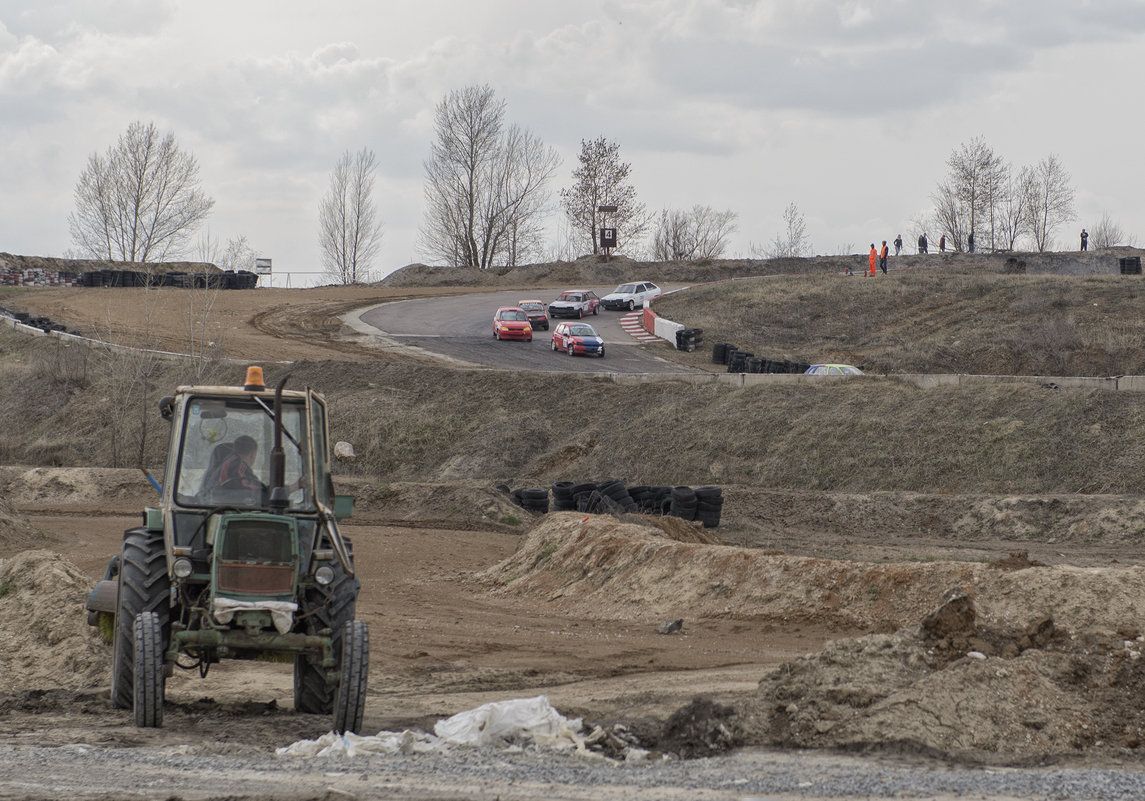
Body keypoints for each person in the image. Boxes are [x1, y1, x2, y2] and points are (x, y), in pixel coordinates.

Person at [214, 435, 304, 496]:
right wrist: (294, 487)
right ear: (252, 455)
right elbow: (258, 493)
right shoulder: (239, 466)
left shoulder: (228, 462)